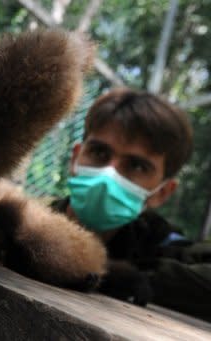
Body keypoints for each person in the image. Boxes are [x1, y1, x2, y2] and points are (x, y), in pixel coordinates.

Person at [50, 87, 211, 322]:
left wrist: (128, 276)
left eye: (136, 166)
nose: (108, 174)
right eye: (99, 152)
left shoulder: (159, 240)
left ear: (162, 192)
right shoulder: (26, 218)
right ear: (76, 158)